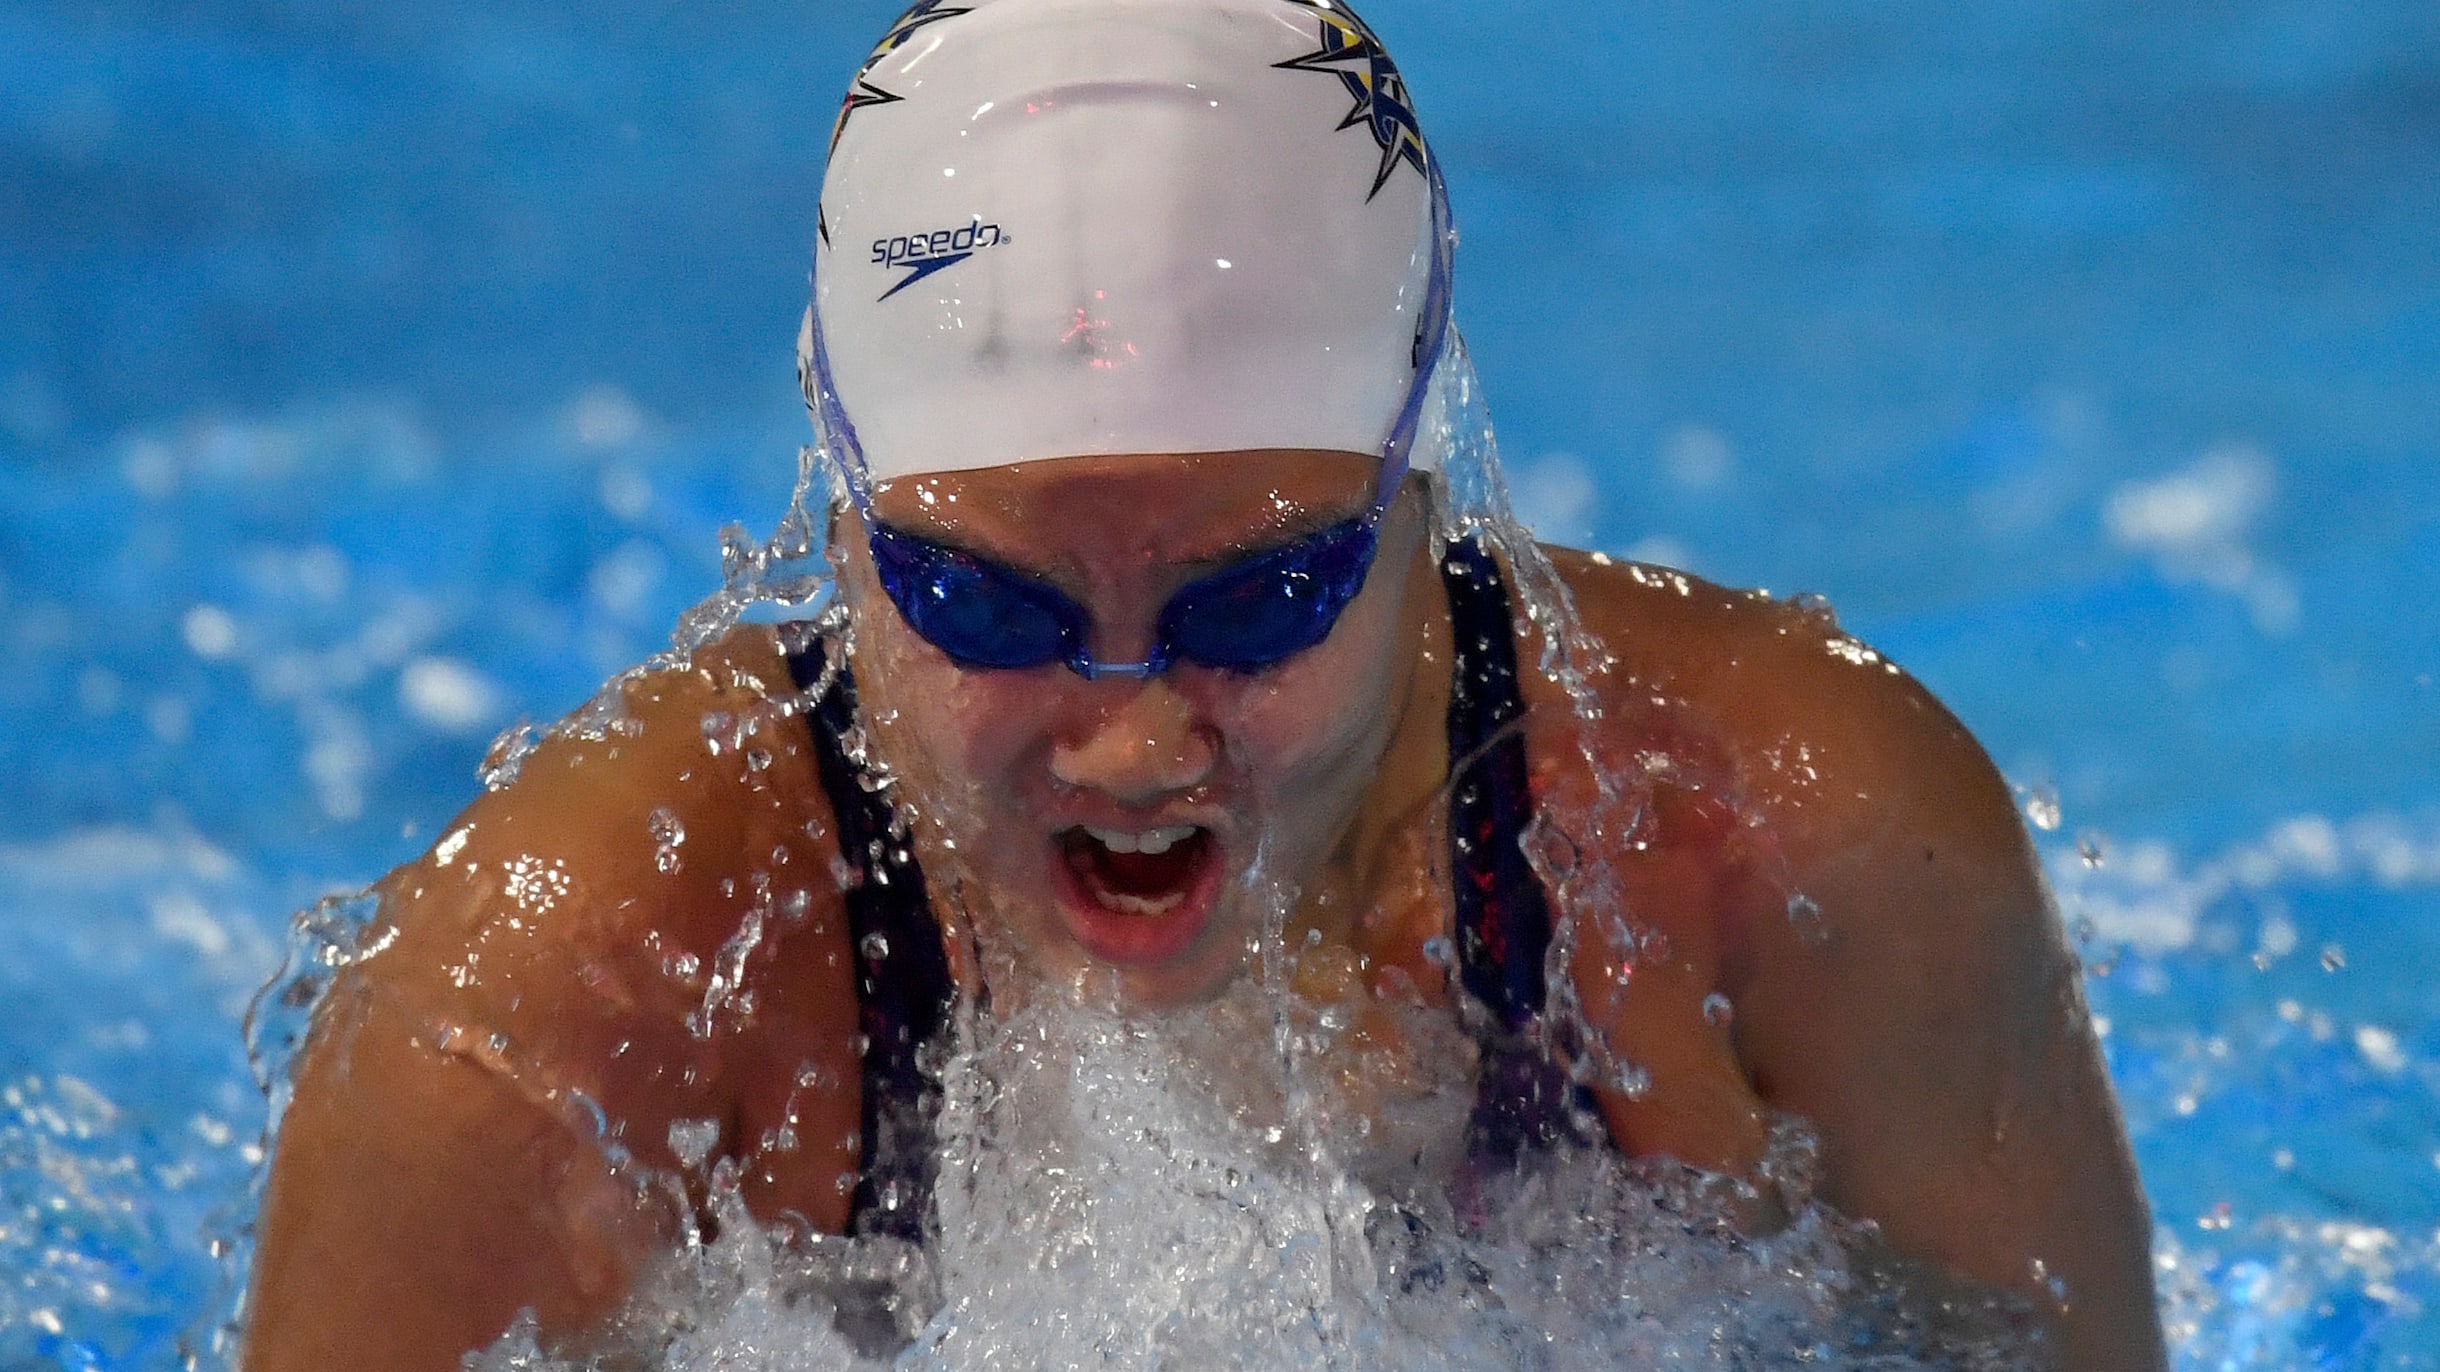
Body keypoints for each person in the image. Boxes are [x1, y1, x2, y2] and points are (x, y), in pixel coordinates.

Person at [245, 0, 2167, 1367]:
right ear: (844, 530)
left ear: (1422, 489)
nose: (1136, 732)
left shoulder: (1786, 842)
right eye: (985, 606)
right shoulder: (561, 1003)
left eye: (1259, 598)